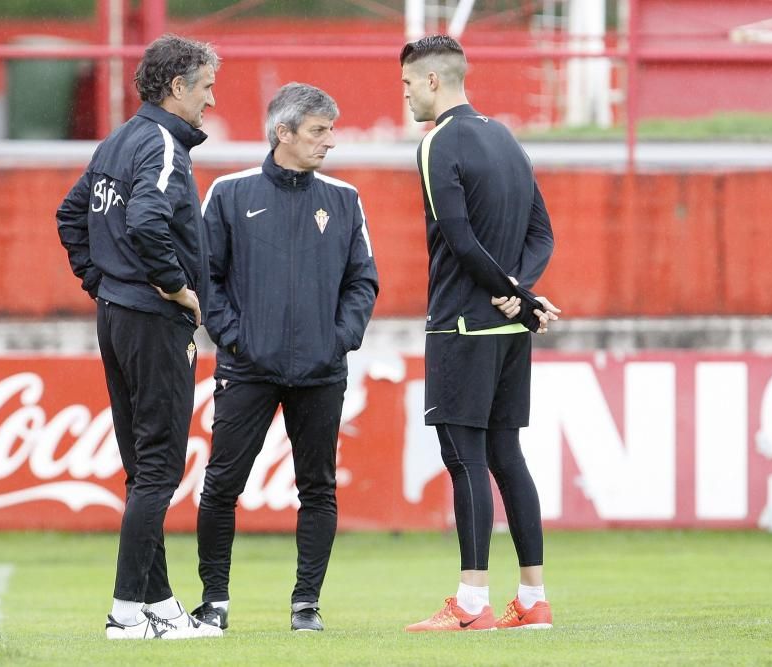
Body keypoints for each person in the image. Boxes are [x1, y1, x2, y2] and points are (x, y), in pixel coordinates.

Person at [189, 83, 379, 633]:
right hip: (247, 368)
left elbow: (362, 281)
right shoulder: (228, 193)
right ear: (284, 133)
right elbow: (207, 278)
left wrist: (337, 338)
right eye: (319, 131)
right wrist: (235, 337)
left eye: (329, 130)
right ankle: (215, 600)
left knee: (317, 488)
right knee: (223, 485)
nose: (330, 142)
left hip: (321, 371)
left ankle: (306, 604)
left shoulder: (343, 199)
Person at [55, 34, 223, 641]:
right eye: (205, 86)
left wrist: (101, 280)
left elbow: (71, 214)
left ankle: (160, 607)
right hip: (153, 321)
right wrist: (177, 287)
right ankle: (125, 613)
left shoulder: (118, 140)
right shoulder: (161, 144)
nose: (211, 98)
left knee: (142, 471)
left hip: (117, 315)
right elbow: (148, 220)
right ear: (177, 88)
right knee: (158, 470)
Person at [398, 35, 562, 632]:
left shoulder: (438, 141)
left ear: (435, 81)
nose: (408, 96)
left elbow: (460, 238)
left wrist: (515, 293)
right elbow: (543, 233)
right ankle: (534, 598)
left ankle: (471, 604)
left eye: (410, 85)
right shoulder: (507, 137)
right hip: (509, 328)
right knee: (506, 457)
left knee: (465, 459)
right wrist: (522, 295)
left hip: (461, 325)